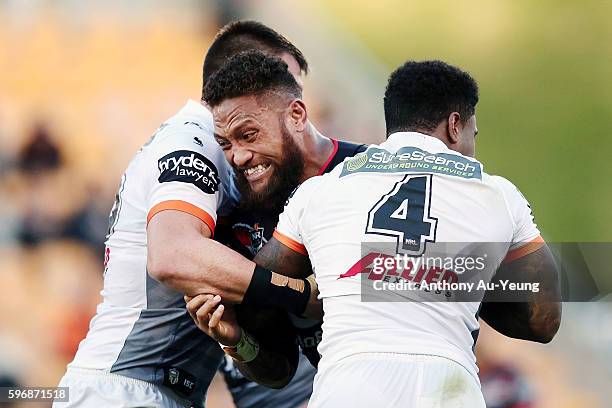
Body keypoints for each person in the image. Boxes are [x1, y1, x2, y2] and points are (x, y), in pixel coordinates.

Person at [190, 59, 562, 407]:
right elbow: (543, 319)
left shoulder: (320, 191)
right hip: (447, 387)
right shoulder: (497, 193)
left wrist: (239, 341)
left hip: (348, 388)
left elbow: (256, 297)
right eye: (472, 134)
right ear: (454, 125)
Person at [54, 21, 320, 408]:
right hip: (127, 389)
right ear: (241, 76)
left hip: (158, 391)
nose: (297, 109)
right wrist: (299, 296)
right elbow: (173, 255)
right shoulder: (194, 144)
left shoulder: (231, 158)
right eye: (282, 82)